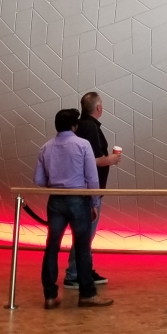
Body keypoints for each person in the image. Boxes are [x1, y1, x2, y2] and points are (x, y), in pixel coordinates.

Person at [34, 108, 112, 309]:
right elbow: (92, 178)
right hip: (78, 199)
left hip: (56, 201)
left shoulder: (45, 147)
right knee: (82, 247)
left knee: (52, 247)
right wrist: (94, 202)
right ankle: (87, 295)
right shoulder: (82, 144)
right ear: (74, 126)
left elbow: (39, 180)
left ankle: (50, 296)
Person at [63, 91, 122, 290]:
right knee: (85, 234)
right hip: (89, 191)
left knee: (85, 233)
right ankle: (74, 273)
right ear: (98, 108)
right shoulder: (90, 128)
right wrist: (111, 160)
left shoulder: (82, 126)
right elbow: (92, 160)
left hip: (85, 189)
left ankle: (84, 270)